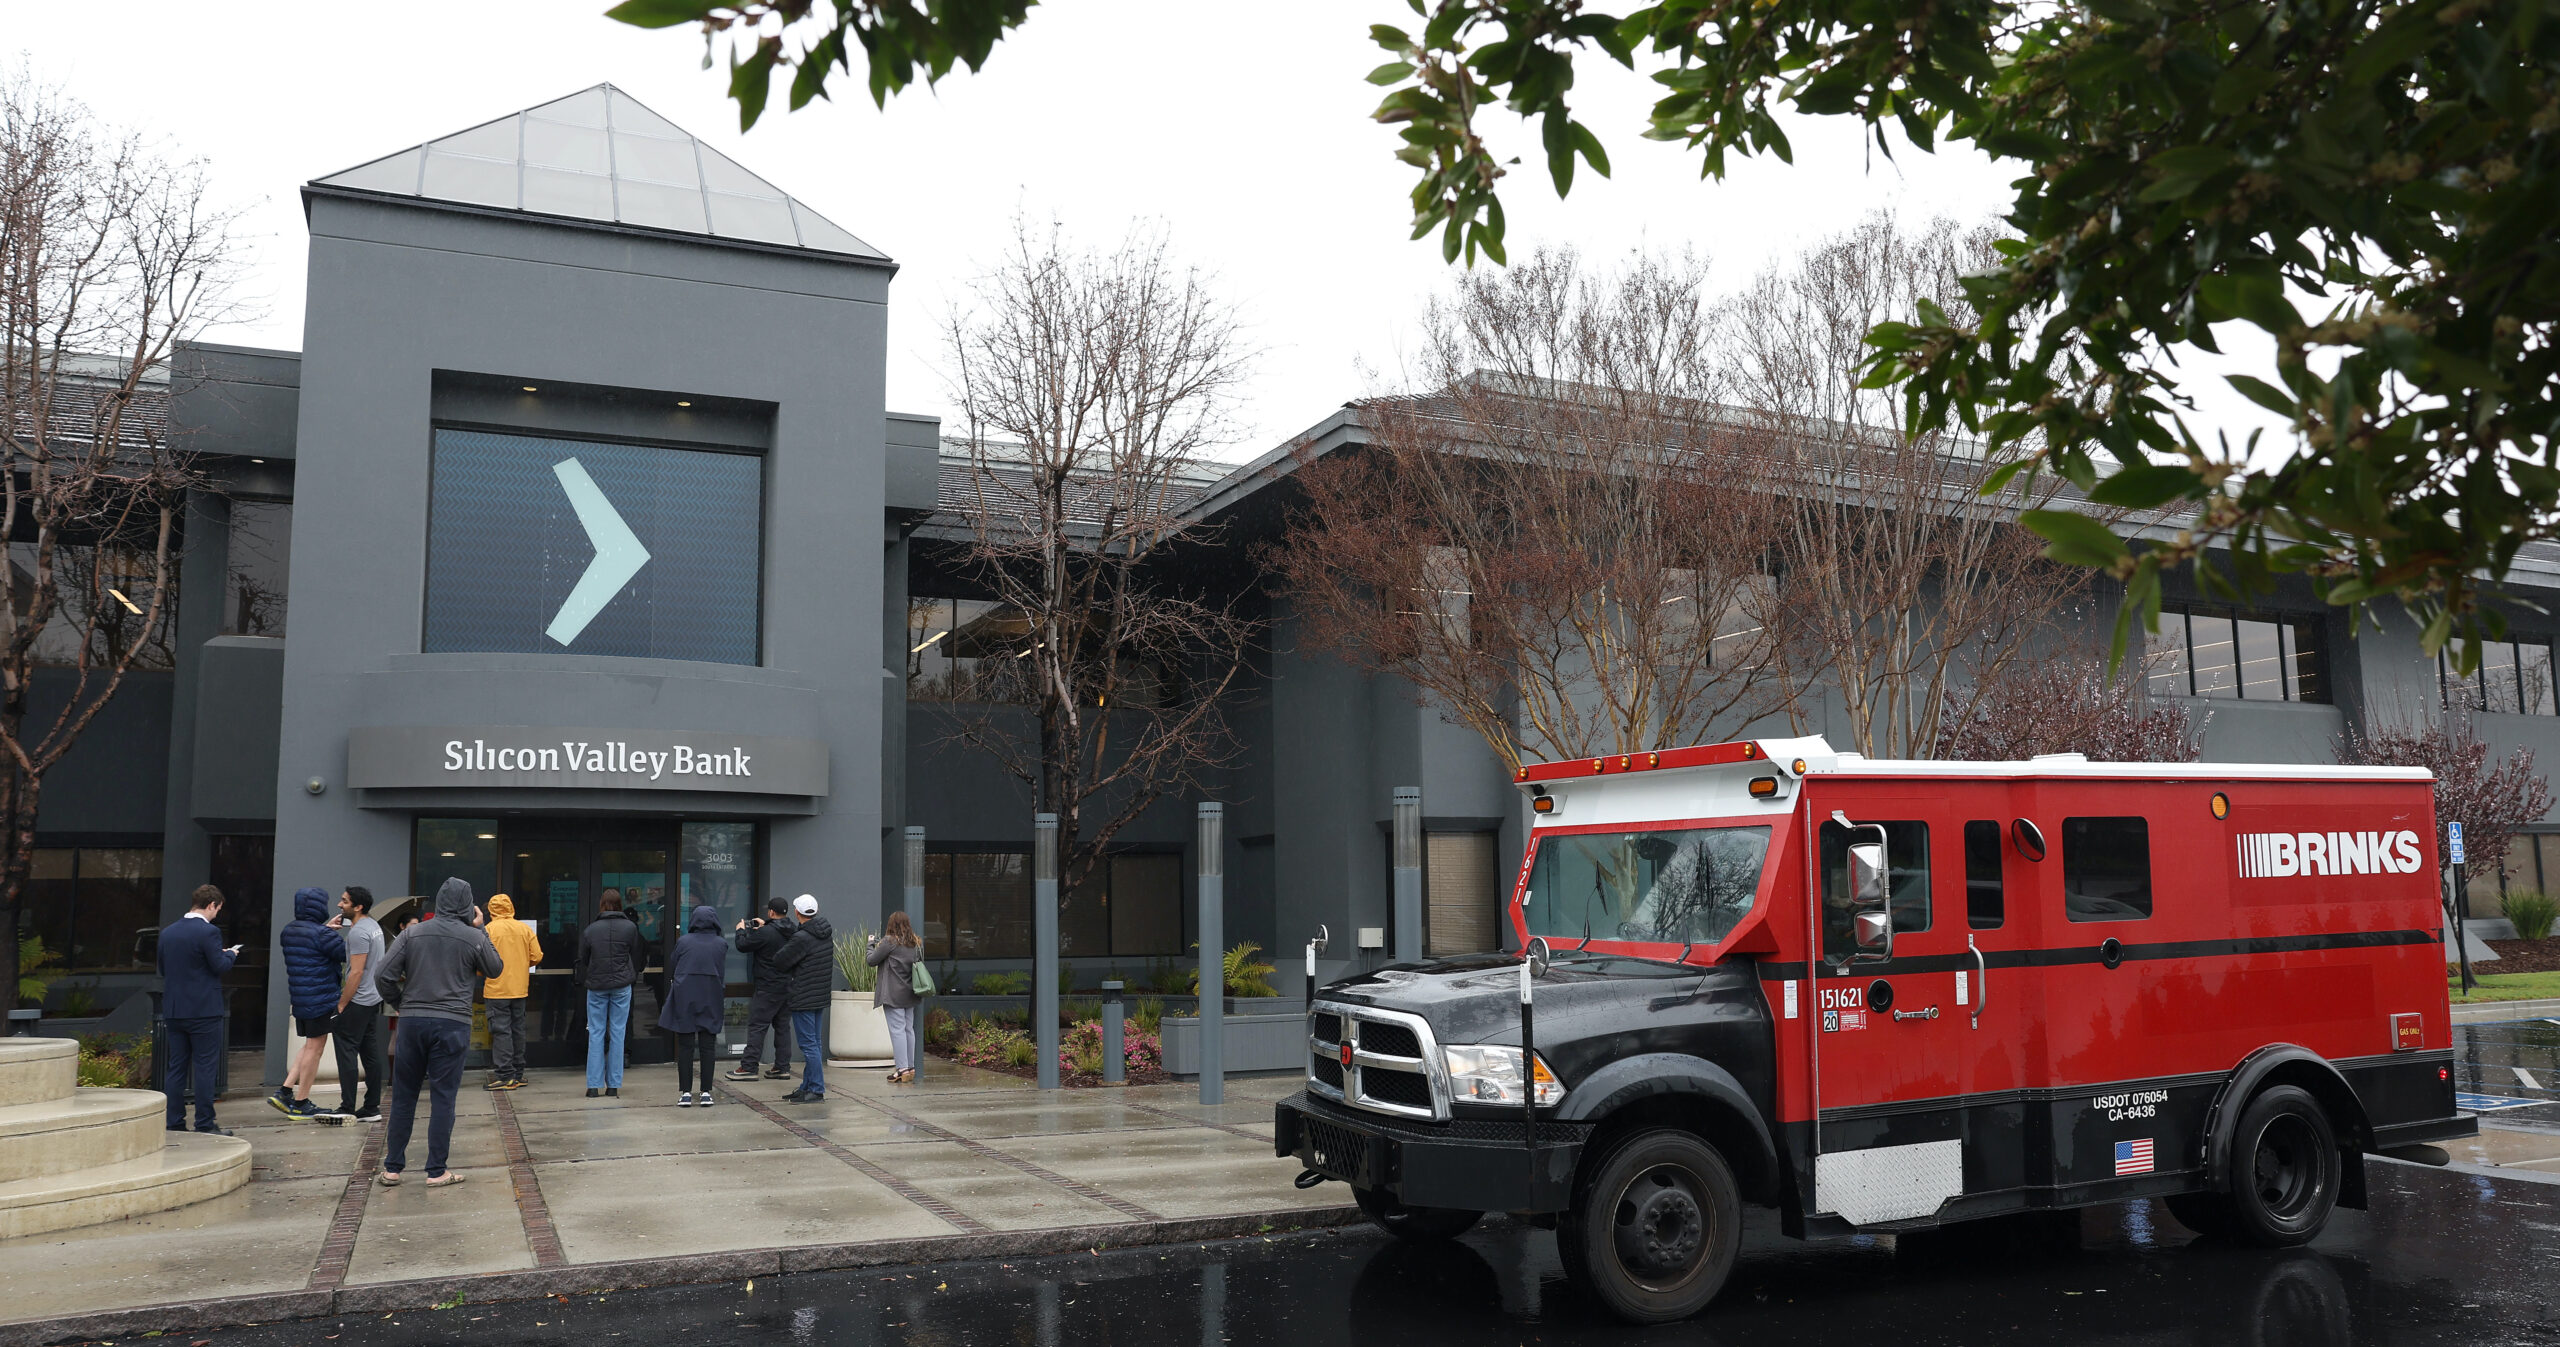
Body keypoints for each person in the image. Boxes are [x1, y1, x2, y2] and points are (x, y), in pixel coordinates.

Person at [370, 877, 502, 1187]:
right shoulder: (473, 937)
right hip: (452, 1023)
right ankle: (436, 1171)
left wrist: (400, 1003)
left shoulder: (412, 933)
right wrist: (481, 927)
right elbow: (496, 969)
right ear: (468, 906)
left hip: (413, 1022)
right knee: (444, 1098)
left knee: (404, 1096)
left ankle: (392, 1168)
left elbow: (382, 975)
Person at [157, 884, 238, 1135]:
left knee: (176, 1067)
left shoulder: (168, 933)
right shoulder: (209, 932)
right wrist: (231, 954)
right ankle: (204, 1124)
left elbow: (162, 968)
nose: (217, 915)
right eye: (218, 909)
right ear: (212, 904)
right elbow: (218, 966)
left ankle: (174, 1122)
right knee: (205, 1068)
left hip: (174, 1009)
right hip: (203, 1010)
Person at [273, 886, 347, 1119]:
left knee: (308, 1045)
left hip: (302, 999)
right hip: (321, 999)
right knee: (315, 1049)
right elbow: (347, 953)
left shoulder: (290, 931)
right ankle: (301, 1102)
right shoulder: (323, 935)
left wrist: (325, 928)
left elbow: (310, 944)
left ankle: (285, 1090)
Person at [658, 904, 727, 1106]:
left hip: (685, 996)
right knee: (708, 1047)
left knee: (686, 1046)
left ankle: (686, 1093)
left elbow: (673, 964)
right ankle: (706, 1091)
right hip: (711, 996)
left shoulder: (683, 942)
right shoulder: (721, 943)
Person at [576, 888, 643, 1098]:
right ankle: (613, 1085)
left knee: (596, 1033)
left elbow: (583, 959)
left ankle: (593, 1086)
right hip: (622, 985)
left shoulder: (591, 930)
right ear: (620, 904)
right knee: (618, 1033)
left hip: (597, 986)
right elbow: (637, 956)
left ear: (602, 905)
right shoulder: (630, 928)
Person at [329, 886, 388, 1121]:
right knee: (370, 1053)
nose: (339, 904)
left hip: (358, 999)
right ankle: (371, 1107)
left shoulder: (358, 933)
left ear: (358, 906)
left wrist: (343, 1003)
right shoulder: (373, 926)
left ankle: (347, 1107)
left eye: (344, 901)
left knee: (346, 1051)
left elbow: (356, 973)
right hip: (373, 998)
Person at [724, 898, 796, 1082]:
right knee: (782, 1028)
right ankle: (782, 1067)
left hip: (767, 987)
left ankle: (748, 1067)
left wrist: (741, 930)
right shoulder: (792, 930)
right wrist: (766, 926)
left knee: (757, 1026)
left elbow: (742, 945)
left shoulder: (766, 933)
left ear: (771, 912)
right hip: (787, 985)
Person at [772, 893, 834, 1103]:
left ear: (797, 912)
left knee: (809, 1045)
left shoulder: (802, 937)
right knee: (814, 1043)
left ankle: (816, 1088)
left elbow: (780, 960)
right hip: (819, 995)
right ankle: (806, 1085)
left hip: (803, 996)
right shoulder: (824, 932)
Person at [480, 893, 543, 1091]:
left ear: (491, 910)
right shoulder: (524, 929)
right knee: (517, 1030)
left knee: (501, 1032)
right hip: (519, 988)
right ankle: (518, 1073)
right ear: (511, 908)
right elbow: (537, 956)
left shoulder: (488, 930)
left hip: (496, 989)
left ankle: (505, 1076)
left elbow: (479, 960)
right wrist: (523, 963)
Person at [867, 911, 923, 1085]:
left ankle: (902, 1069)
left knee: (897, 1030)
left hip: (892, 993)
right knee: (908, 1029)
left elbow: (871, 961)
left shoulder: (889, 941)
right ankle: (910, 1067)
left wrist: (870, 944)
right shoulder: (916, 943)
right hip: (910, 992)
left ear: (891, 924)